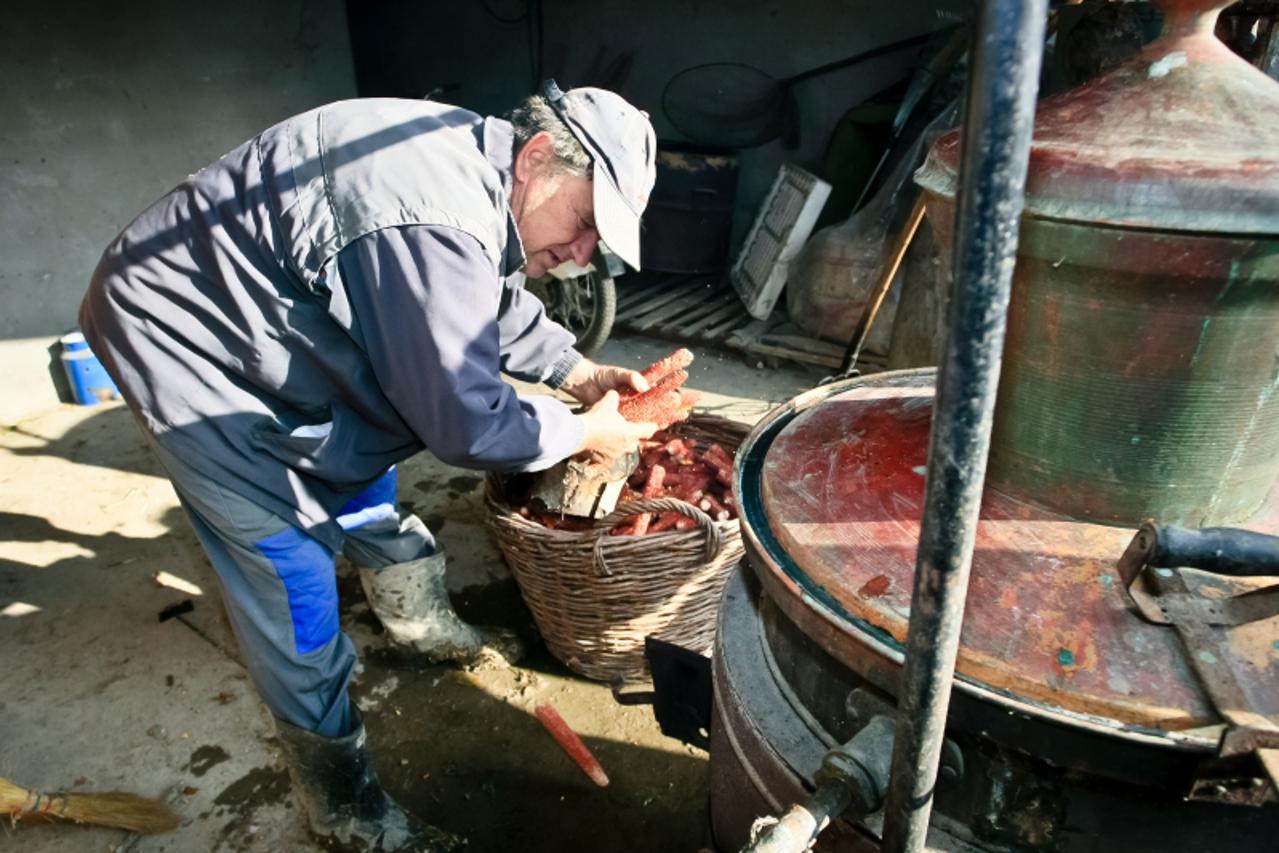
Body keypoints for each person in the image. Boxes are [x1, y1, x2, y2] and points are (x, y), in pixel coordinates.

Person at [80, 81, 658, 851]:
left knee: (360, 463)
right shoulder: (424, 205)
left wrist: (575, 371)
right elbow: (464, 419)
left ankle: (415, 620)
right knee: (291, 573)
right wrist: (580, 429)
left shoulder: (480, 178)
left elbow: (478, 291)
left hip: (267, 315)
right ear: (536, 158)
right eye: (584, 223)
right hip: (183, 337)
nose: (583, 253)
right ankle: (344, 803)